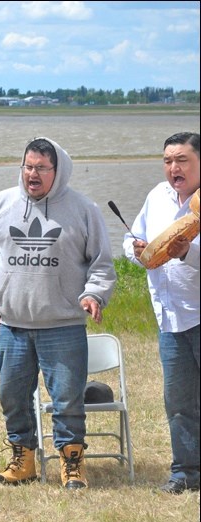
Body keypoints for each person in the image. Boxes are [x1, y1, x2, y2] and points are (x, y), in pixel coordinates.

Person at [0, 137, 117, 490]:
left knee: (67, 400)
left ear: (59, 170)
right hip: (13, 327)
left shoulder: (83, 209)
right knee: (12, 396)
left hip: (63, 326)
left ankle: (72, 465)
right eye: (28, 166)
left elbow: (102, 265)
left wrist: (93, 294)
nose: (32, 174)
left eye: (41, 168)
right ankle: (23, 461)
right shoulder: (1, 203)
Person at [123, 131, 200, 494]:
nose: (173, 168)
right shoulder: (157, 196)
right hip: (170, 319)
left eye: (182, 160)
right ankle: (185, 473)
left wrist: (187, 252)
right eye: (168, 160)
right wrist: (136, 249)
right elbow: (130, 240)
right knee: (179, 402)